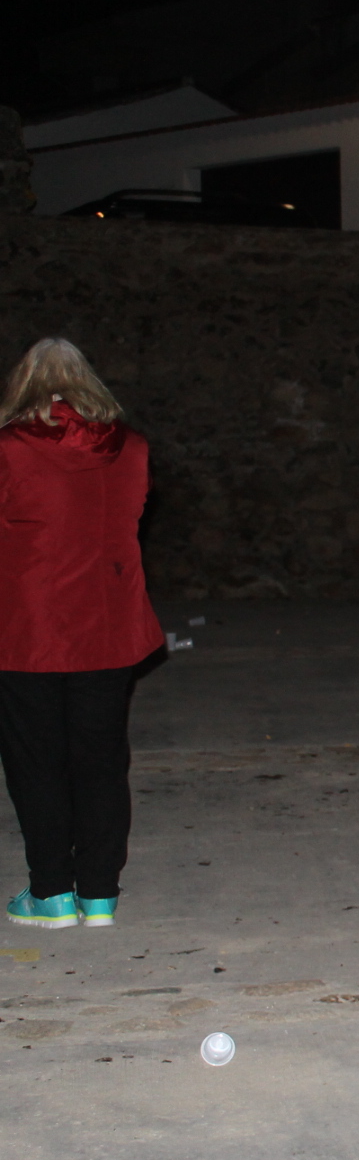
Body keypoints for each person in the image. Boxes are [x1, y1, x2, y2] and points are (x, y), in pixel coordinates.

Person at [0, 338, 165, 929]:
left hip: (28, 628)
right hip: (107, 624)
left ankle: (52, 893)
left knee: (35, 761)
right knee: (100, 759)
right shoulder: (133, 448)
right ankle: (99, 893)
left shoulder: (8, 449)